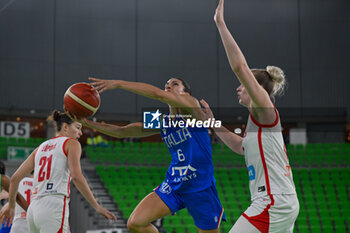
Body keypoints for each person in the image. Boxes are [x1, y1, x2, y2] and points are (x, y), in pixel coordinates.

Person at [72, 77, 225, 233]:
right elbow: (122, 131)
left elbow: (158, 94)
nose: (168, 87)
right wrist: (87, 123)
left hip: (201, 186)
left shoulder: (193, 106)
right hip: (174, 184)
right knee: (135, 223)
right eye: (166, 85)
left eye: (175, 84)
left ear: (186, 93)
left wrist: (118, 84)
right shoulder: (163, 121)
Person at [199, 0, 299, 232]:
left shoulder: (266, 110)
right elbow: (239, 146)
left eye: (243, 85)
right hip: (278, 201)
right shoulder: (256, 124)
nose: (238, 88)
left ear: (256, 88)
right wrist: (211, 122)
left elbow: (240, 68)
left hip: (273, 201)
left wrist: (221, 24)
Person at [0, 110, 116, 233]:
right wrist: (96, 206)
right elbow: (76, 177)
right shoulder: (72, 144)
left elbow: (14, 179)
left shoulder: (40, 148)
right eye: (77, 127)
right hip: (53, 205)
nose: (81, 132)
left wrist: (11, 206)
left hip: (33, 209)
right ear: (65, 127)